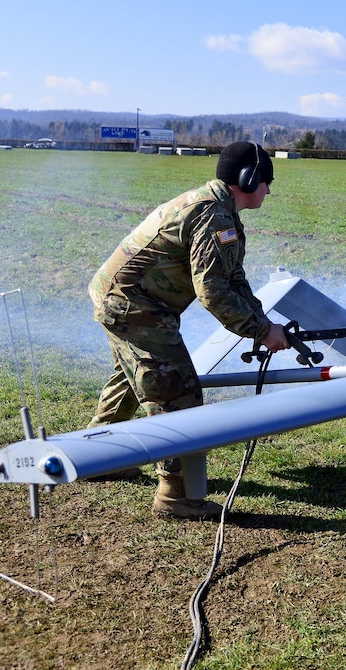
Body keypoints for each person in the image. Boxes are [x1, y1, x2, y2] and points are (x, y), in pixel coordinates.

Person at [87, 141, 290, 519]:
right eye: (267, 181)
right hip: (134, 306)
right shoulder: (212, 214)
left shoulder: (221, 211)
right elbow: (212, 293)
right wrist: (261, 332)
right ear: (248, 179)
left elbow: (234, 279)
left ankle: (99, 457)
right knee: (176, 392)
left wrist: (267, 323)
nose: (268, 190)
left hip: (129, 300)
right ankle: (175, 495)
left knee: (134, 379)